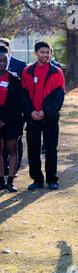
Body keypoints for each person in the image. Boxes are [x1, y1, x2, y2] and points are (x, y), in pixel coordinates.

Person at [21, 41, 65, 191]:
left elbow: (59, 97)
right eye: (42, 52)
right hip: (32, 118)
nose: (46, 55)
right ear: (36, 53)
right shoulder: (27, 71)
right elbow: (24, 95)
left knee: (51, 149)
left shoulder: (57, 72)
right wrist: (31, 112)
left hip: (50, 118)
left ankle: (52, 179)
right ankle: (37, 180)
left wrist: (45, 112)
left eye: (48, 52)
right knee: (33, 149)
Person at [0, 45, 26, 192]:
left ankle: (10, 181)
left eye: (5, 60)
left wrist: (4, 120)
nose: (3, 63)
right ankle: (1, 181)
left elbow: (17, 103)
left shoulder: (14, 79)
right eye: (0, 60)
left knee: (12, 150)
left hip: (12, 119)